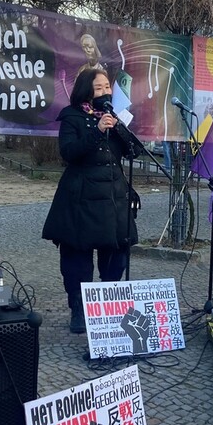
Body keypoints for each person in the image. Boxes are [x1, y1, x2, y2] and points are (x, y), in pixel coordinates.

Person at [42, 68, 139, 333]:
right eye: (99, 88)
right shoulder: (72, 117)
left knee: (117, 256)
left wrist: (120, 127)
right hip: (80, 198)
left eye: (108, 87)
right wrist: (96, 130)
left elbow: (134, 152)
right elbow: (69, 153)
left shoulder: (115, 118)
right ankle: (79, 310)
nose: (106, 91)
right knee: (77, 260)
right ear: (86, 91)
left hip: (113, 198)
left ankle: (107, 307)